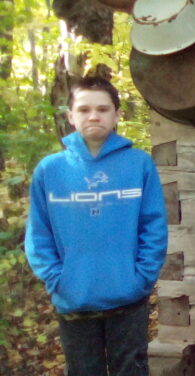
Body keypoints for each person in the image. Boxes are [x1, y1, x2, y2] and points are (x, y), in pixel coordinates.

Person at [25, 76, 168, 376]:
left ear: (117, 115)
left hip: (128, 296)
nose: (94, 116)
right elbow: (39, 235)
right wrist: (58, 279)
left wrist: (140, 278)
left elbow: (153, 226)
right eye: (84, 109)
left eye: (103, 109)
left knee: (130, 369)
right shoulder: (50, 170)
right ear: (70, 116)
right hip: (75, 298)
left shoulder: (138, 164)